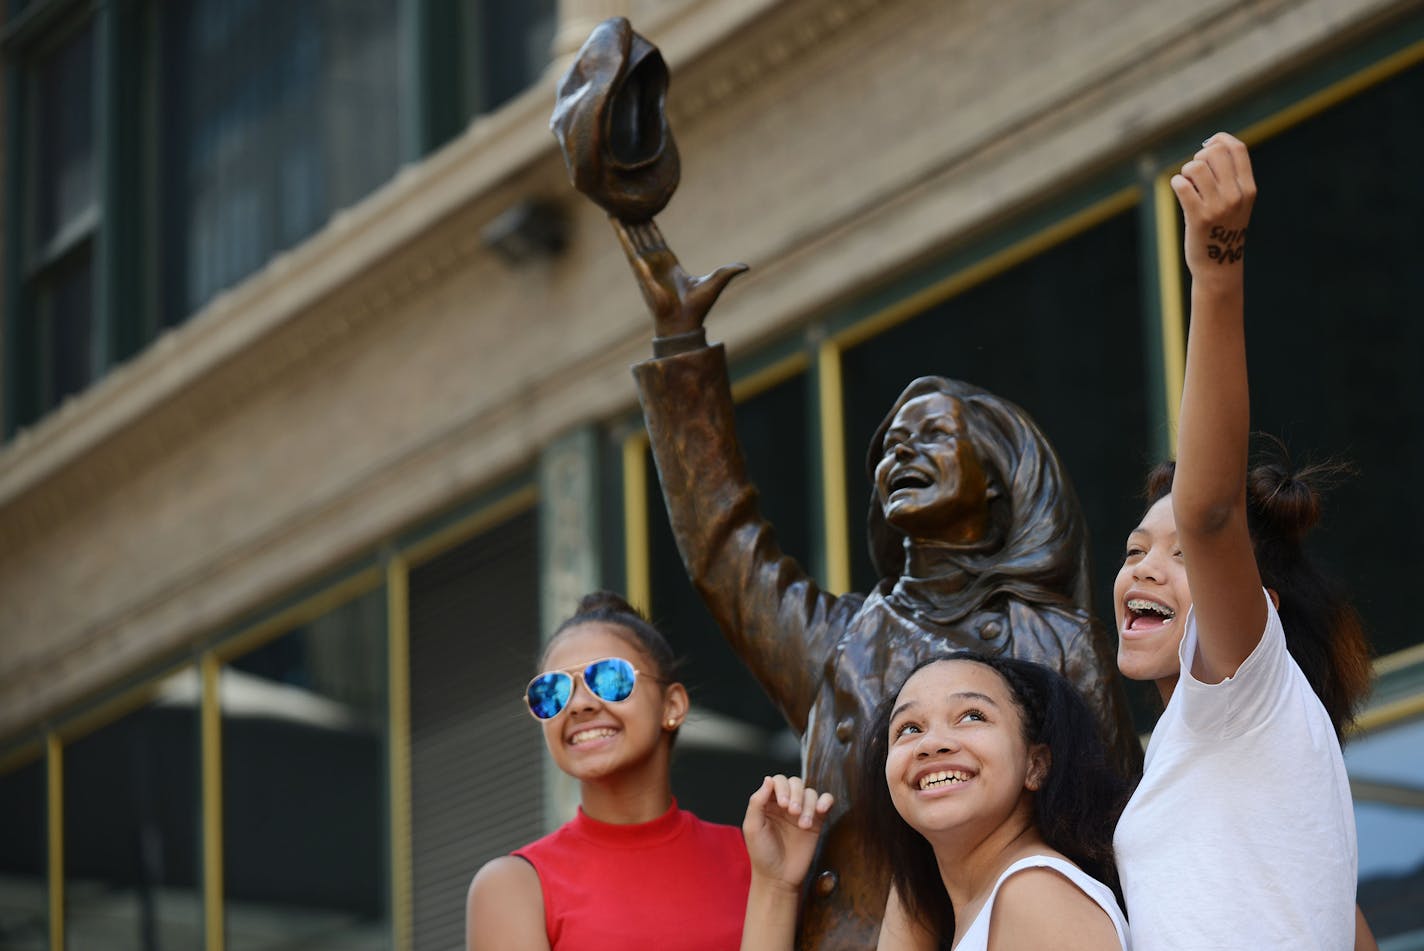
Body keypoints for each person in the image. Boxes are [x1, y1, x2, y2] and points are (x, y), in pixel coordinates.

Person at [619, 220, 1139, 946]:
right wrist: (679, 345)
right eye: (892, 446)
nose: (902, 452)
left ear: (995, 477)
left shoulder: (1053, 638)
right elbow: (723, 546)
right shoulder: (843, 642)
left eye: (930, 437)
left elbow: (1115, 831)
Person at [1110, 132, 1376, 950]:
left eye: (1178, 554)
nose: (1144, 569)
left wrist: (1215, 272)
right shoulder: (1207, 740)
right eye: (1132, 550)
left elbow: (1213, 510)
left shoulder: (1245, 686)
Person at [740, 654, 1130, 951]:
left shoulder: (1035, 894)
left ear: (1036, 765)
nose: (932, 743)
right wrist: (775, 884)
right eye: (909, 728)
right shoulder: (939, 893)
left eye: (972, 716)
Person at [465, 591, 751, 951]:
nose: (580, 705)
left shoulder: (756, 861)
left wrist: (778, 886)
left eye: (610, 679)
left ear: (672, 706)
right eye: (552, 692)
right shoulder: (514, 887)